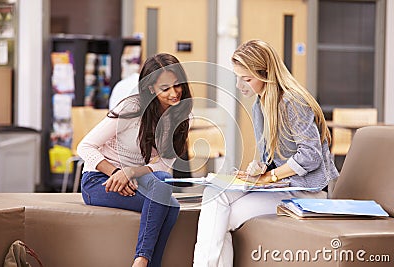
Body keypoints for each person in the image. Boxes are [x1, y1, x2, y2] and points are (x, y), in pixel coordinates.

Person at [193, 39, 339, 267]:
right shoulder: (259, 106)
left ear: (266, 74)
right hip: (283, 186)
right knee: (214, 193)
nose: (240, 86)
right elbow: (269, 158)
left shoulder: (293, 101)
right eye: (237, 77)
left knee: (220, 221)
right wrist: (258, 168)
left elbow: (311, 155)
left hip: (309, 192)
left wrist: (270, 177)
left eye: (247, 79)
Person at [77, 53, 193, 267]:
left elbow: (164, 167)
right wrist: (115, 173)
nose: (174, 93)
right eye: (165, 88)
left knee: (162, 184)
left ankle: (142, 261)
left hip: (136, 180)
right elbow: (85, 146)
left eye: (178, 85)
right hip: (99, 180)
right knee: (170, 206)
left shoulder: (181, 116)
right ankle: (142, 261)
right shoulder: (131, 108)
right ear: (150, 89)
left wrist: (129, 173)